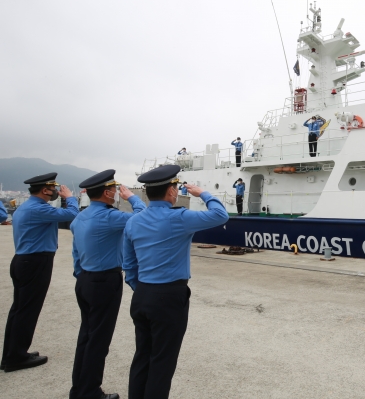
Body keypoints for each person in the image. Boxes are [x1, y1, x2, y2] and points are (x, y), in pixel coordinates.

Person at [122, 165, 228, 398]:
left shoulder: (133, 222)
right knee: (162, 361)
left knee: (142, 355)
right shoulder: (179, 217)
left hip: (142, 295)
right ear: (171, 192)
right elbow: (221, 215)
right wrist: (203, 194)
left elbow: (129, 265)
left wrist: (140, 288)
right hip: (168, 298)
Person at [69, 170, 146, 399]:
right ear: (106, 192)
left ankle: (79, 389)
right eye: (113, 189)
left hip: (84, 280)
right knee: (99, 341)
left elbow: (76, 253)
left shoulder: (79, 218)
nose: (115, 193)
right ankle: (90, 392)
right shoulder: (109, 217)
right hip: (104, 281)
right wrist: (131, 197)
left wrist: (82, 276)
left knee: (86, 336)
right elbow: (142, 217)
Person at [1, 173, 78, 373]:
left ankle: (12, 353)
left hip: (24, 260)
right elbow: (72, 214)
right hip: (36, 262)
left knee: (19, 310)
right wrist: (69, 197)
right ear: (45, 190)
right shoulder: (38, 208)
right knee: (27, 311)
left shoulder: (26, 207)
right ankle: (16, 357)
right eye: (54, 188)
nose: (56, 191)